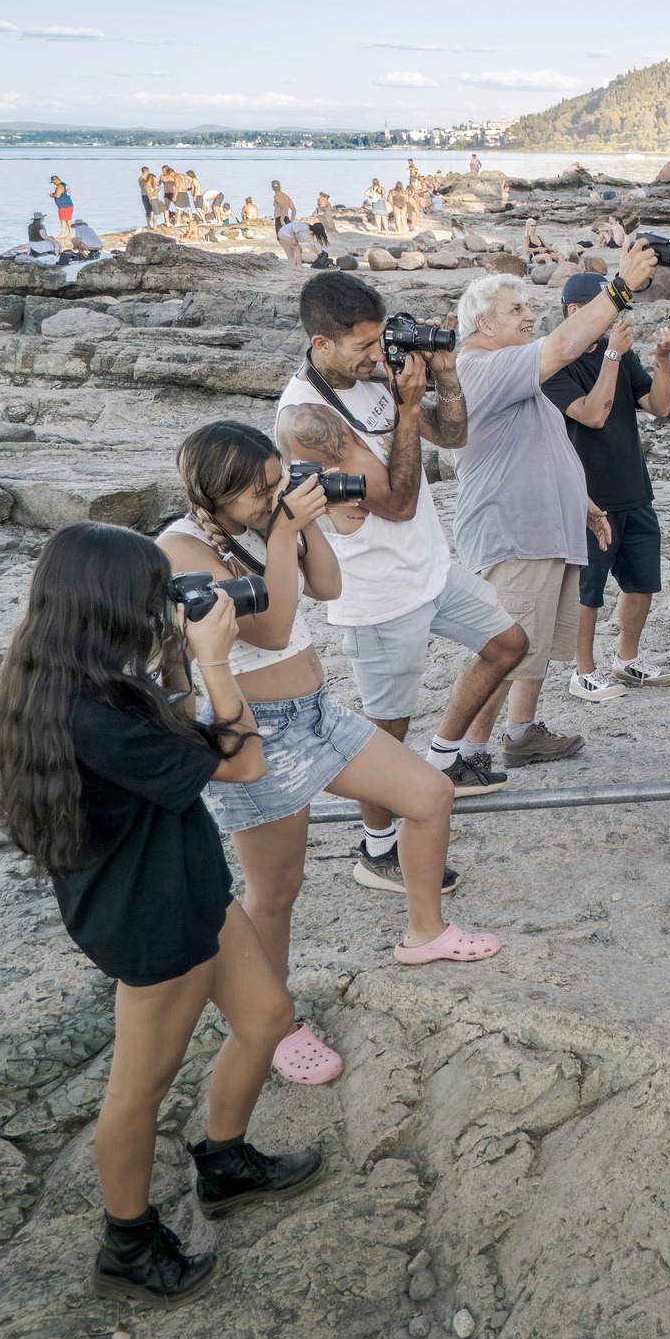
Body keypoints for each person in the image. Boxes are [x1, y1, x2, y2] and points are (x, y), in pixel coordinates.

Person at [0, 522, 322, 1305]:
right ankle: (127, 1245)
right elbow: (241, 760)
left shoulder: (79, 674)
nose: (164, 606)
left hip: (189, 887)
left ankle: (227, 1163)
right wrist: (213, 658)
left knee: (268, 1016)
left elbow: (181, 737)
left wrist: (175, 658)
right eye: (154, 594)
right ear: (111, 604)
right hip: (155, 918)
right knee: (138, 1090)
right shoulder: (94, 712)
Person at [158, 424, 491, 1089]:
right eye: (259, 490)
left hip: (315, 711)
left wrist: (299, 522)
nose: (273, 495)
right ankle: (270, 1023)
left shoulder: (266, 521)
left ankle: (424, 931)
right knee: (276, 892)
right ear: (216, 494)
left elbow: (330, 587)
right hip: (254, 731)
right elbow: (272, 627)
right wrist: (284, 530)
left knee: (429, 794)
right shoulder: (180, 546)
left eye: (277, 478)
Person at [274, 271, 531, 850]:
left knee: (508, 645)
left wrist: (444, 377)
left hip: (431, 568)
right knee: (384, 735)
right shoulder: (307, 417)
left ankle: (442, 759)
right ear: (322, 344)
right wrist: (409, 406)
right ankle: (378, 844)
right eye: (362, 345)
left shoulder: (373, 375)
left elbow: (455, 436)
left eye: (378, 339)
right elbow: (397, 501)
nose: (375, 354)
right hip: (377, 592)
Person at [453, 269, 651, 767]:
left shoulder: (511, 371)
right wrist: (620, 289)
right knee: (503, 647)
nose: (529, 315)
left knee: (531, 645)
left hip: (545, 531)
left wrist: (581, 505)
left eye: (527, 306)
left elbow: (545, 444)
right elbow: (565, 344)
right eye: (515, 309)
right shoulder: (483, 367)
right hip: (514, 533)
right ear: (483, 324)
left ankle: (521, 734)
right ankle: (468, 753)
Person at [543, 268, 670, 700]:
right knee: (589, 590)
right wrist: (613, 357)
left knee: (643, 582)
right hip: (587, 496)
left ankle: (627, 659)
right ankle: (583, 670)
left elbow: (659, 407)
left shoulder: (616, 353)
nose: (615, 319)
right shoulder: (553, 362)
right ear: (575, 311)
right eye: (608, 310)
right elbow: (592, 414)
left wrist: (661, 358)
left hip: (634, 488)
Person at [49, 175, 75, 242]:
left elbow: (57, 196)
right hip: (68, 204)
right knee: (66, 219)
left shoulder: (60, 186)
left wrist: (52, 195)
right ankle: (68, 233)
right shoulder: (64, 184)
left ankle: (65, 234)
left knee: (65, 220)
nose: (54, 184)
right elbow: (63, 194)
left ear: (55, 180)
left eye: (53, 182)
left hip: (64, 206)